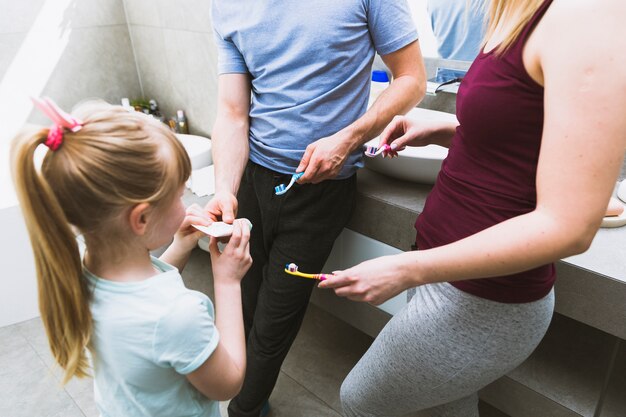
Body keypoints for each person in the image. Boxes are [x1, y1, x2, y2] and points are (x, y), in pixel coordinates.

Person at [319, 0, 626, 415]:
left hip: (485, 298)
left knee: (360, 401)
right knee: (446, 405)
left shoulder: (588, 15)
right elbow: (525, 134)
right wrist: (453, 130)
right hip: (447, 274)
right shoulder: (518, 11)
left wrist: (405, 269)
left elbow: (569, 226)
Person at [208, 1, 426, 415]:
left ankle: (243, 410)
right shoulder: (227, 6)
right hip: (252, 180)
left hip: (320, 194)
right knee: (244, 305)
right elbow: (233, 114)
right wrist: (224, 189)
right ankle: (248, 399)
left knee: (274, 323)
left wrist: (349, 138)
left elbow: (413, 78)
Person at [11, 99, 253, 417]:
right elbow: (228, 383)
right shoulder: (178, 316)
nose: (185, 204)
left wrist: (179, 245)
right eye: (180, 195)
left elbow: (142, 293)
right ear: (140, 220)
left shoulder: (84, 268)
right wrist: (227, 282)